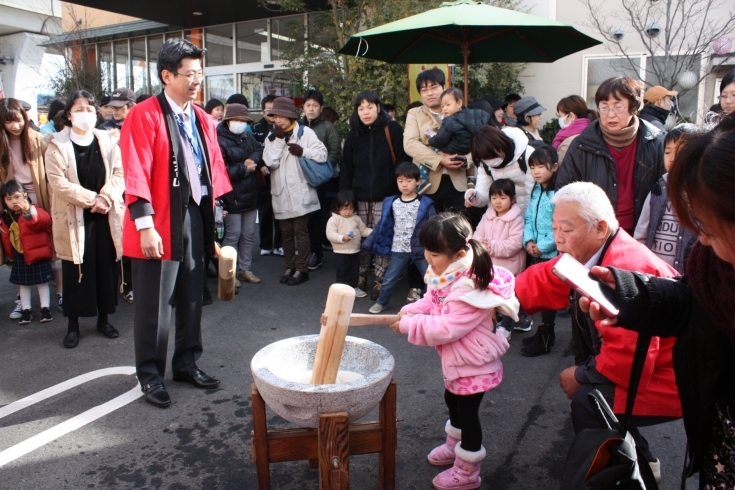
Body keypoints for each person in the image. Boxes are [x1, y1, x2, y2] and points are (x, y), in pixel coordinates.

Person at [580, 113, 735, 488]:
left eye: (709, 229)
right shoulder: (713, 265)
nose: (701, 241)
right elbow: (693, 303)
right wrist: (633, 295)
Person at [514, 182, 681, 482]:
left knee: (590, 400)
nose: (557, 237)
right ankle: (642, 462)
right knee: (595, 395)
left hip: (672, 375)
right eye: (554, 228)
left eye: (566, 229)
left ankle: (617, 477)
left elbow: (629, 358)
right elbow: (548, 276)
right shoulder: (597, 250)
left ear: (601, 228)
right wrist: (499, 294)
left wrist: (580, 375)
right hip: (654, 365)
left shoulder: (625, 266)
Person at [119, 38, 232, 408]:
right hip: (160, 217)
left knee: (191, 294)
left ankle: (186, 362)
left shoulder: (200, 117)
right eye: (189, 74)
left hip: (194, 213)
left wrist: (214, 224)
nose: (196, 80)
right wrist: (144, 224)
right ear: (167, 75)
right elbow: (133, 170)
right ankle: (150, 375)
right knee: (155, 301)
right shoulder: (144, 114)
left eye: (200, 73)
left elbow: (209, 172)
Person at [390, 212, 518, 490]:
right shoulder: (444, 272)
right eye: (426, 250)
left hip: (474, 362)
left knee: (468, 415)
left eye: (433, 253)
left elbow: (448, 327)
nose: (427, 258)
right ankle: (454, 446)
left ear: (459, 253)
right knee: (453, 402)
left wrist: (409, 325)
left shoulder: (469, 287)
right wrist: (408, 311)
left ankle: (468, 470)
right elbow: (431, 301)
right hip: (457, 360)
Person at [46, 90, 125, 349]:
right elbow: (59, 183)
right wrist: (94, 199)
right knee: (76, 271)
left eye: (90, 109)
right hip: (74, 215)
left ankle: (104, 319)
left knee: (105, 267)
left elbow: (119, 174)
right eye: (79, 109)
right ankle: (73, 325)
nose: (85, 114)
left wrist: (106, 198)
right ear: (69, 114)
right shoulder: (56, 144)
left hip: (105, 215)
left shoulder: (109, 139)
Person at [557, 76, 665, 233]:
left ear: (633, 107)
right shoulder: (582, 144)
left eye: (618, 107)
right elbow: (564, 191)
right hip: (595, 231)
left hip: (643, 230)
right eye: (604, 107)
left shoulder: (655, 141)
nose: (610, 114)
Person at [340, 91, 409, 300]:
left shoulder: (393, 129)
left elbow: (403, 160)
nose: (365, 112)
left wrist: (394, 187)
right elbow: (346, 168)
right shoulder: (353, 135)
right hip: (358, 197)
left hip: (386, 196)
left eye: (369, 107)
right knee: (358, 238)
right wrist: (345, 197)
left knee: (382, 238)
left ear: (378, 107)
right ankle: (360, 275)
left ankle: (380, 280)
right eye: (360, 108)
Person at [263, 96, 327, 286]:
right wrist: (278, 141)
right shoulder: (271, 136)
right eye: (276, 116)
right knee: (285, 233)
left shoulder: (305, 132)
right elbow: (270, 162)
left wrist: (303, 151)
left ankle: (302, 269)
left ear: (291, 116)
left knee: (301, 231)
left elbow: (322, 155)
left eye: (283, 116)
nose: (279, 120)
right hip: (281, 192)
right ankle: (289, 267)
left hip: (300, 191)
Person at [0, 97, 55, 319]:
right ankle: (20, 302)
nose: (15, 125)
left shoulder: (39, 140)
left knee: (44, 246)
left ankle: (53, 297)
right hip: (10, 199)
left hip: (37, 197)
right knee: (17, 248)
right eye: (9, 122)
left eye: (19, 119)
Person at [363, 162, 435, 313]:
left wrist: (436, 246)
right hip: (398, 248)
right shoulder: (392, 202)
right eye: (400, 181)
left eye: (409, 181)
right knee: (389, 278)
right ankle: (382, 302)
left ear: (418, 181)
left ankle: (435, 305)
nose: (404, 185)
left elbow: (433, 226)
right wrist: (369, 242)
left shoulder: (425, 203)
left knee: (430, 279)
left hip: (420, 249)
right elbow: (382, 224)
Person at [633, 124, 701, 274]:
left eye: (680, 152)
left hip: (686, 273)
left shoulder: (701, 193)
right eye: (668, 152)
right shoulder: (658, 189)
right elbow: (641, 232)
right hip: (655, 270)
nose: (672, 158)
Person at [404, 69, 468, 213]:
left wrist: (465, 159)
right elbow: (410, 144)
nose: (430, 93)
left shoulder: (461, 112)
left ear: (444, 88)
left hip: (458, 181)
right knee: (430, 231)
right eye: (424, 89)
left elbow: (475, 142)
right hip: (428, 184)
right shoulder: (415, 113)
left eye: (434, 87)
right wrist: (439, 160)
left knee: (459, 229)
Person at [518, 145, 560, 356]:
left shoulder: (558, 192)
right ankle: (544, 332)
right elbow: (528, 218)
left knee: (548, 296)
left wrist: (541, 247)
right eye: (532, 167)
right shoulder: (536, 189)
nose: (536, 171)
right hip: (536, 251)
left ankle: (546, 335)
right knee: (541, 294)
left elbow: (559, 226)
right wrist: (529, 241)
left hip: (550, 254)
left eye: (541, 166)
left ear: (554, 167)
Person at [217, 103, 262, 284]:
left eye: (243, 120)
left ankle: (245, 269)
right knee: (233, 235)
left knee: (249, 234)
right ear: (228, 121)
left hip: (250, 194)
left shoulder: (248, 136)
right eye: (236, 120)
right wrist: (244, 169)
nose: (240, 123)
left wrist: (253, 159)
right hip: (231, 195)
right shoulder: (219, 139)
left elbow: (260, 149)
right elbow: (221, 170)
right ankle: (228, 274)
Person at [0, 180, 54, 324]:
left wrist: (28, 212)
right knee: (23, 284)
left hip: (38, 253)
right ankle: (26, 310)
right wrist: (9, 254)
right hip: (20, 254)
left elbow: (44, 221)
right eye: (9, 199)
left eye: (17, 197)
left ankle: (45, 309)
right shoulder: (6, 216)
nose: (14, 202)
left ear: (25, 195)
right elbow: (5, 237)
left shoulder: (34, 209)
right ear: (4, 201)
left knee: (42, 282)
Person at [300, 89, 342, 272]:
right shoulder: (297, 126)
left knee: (317, 216)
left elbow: (335, 152)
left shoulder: (328, 127)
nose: (311, 109)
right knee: (302, 216)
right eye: (308, 105)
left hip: (320, 179)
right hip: (299, 178)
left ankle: (316, 252)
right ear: (303, 107)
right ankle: (304, 251)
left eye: (315, 106)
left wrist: (323, 171)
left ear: (321, 108)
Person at [428, 87, 490, 189]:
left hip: (454, 150)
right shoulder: (475, 116)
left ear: (459, 103)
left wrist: (431, 140)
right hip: (468, 149)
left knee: (433, 149)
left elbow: (440, 140)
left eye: (448, 105)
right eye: (442, 106)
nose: (444, 109)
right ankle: (471, 177)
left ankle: (423, 178)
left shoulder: (449, 121)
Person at [464, 125, 535, 212]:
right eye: (484, 158)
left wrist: (528, 220)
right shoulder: (485, 165)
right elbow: (484, 194)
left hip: (529, 214)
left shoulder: (528, 155)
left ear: (501, 145)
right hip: (502, 218)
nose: (490, 161)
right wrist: (474, 197)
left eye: (492, 155)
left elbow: (532, 194)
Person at [325, 189, 372, 296]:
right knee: (342, 272)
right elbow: (330, 234)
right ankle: (343, 291)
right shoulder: (334, 219)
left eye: (351, 208)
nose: (348, 212)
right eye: (345, 208)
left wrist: (373, 232)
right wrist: (342, 238)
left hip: (354, 251)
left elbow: (363, 230)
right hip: (340, 252)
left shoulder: (356, 218)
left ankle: (353, 287)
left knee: (354, 271)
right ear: (338, 207)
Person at [252, 95, 283, 257]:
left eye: (274, 111)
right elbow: (254, 150)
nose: (271, 114)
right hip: (263, 177)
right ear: (263, 111)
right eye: (267, 111)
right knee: (264, 212)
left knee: (281, 212)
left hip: (281, 175)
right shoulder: (256, 128)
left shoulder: (284, 126)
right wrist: (261, 166)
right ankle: (265, 244)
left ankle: (279, 244)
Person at [552, 95, 597, 162]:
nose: (560, 119)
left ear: (571, 116)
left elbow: (560, 169)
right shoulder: (591, 131)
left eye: (560, 116)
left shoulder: (569, 142)